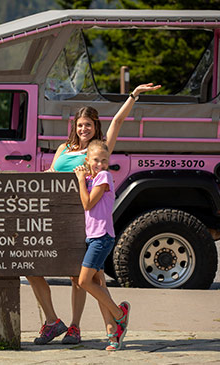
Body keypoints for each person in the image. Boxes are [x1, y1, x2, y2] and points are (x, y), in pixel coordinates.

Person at [29, 83, 161, 345]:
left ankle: (83, 327)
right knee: (39, 268)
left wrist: (133, 95)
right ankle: (61, 321)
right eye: (80, 125)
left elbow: (118, 121)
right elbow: (53, 176)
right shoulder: (62, 149)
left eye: (88, 125)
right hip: (58, 216)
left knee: (85, 277)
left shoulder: (100, 151)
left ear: (95, 127)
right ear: (74, 126)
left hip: (87, 220)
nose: (83, 129)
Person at [73, 140, 130, 351]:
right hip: (93, 238)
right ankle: (113, 333)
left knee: (84, 281)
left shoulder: (104, 177)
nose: (100, 164)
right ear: (88, 160)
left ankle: (119, 314)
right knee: (99, 285)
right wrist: (84, 175)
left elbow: (88, 203)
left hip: (102, 238)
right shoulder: (93, 177)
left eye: (104, 161)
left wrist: (81, 180)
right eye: (96, 160)